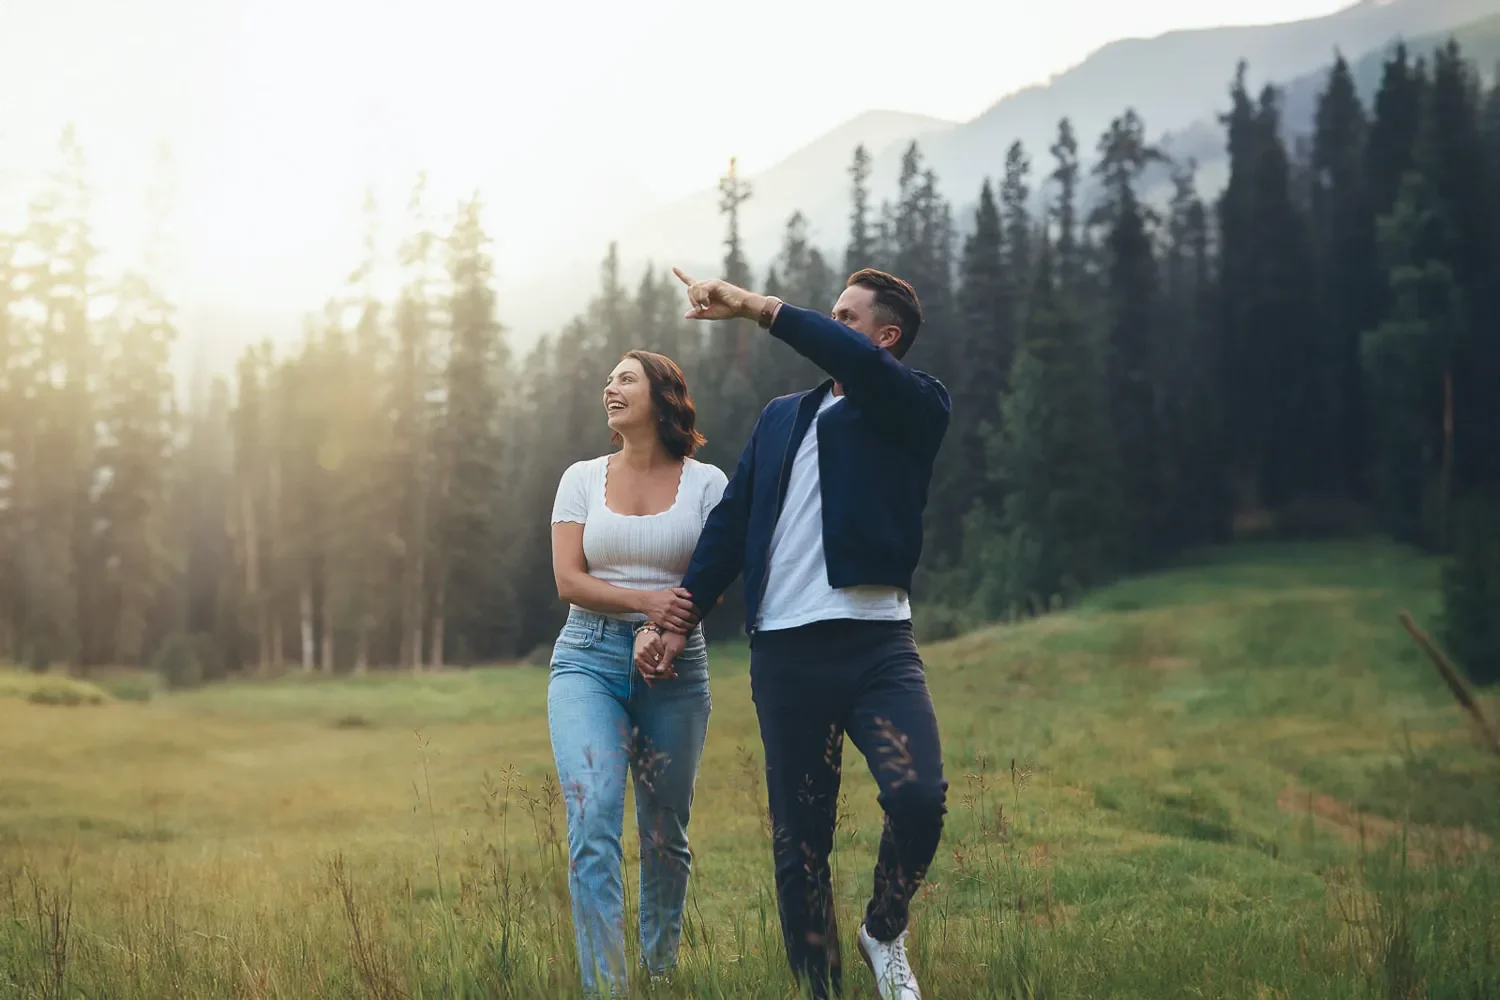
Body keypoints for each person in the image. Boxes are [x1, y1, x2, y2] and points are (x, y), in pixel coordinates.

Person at [637, 268, 950, 1000]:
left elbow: (856, 364)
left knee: (917, 796)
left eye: (845, 317)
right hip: (785, 654)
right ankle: (821, 989)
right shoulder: (783, 417)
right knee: (800, 841)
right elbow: (731, 526)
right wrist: (679, 619)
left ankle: (883, 929)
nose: (830, 324)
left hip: (877, 648)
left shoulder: (914, 404)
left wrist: (757, 307)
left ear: (885, 338)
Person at [548, 348, 728, 997]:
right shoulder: (580, 479)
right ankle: (608, 988)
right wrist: (645, 605)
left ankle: (658, 971)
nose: (611, 387)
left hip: (676, 668)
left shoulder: (707, 484)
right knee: (593, 819)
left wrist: (668, 629)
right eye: (608, 379)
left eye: (626, 378)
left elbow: (715, 579)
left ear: (662, 394)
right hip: (587, 659)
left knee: (663, 833)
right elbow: (568, 580)